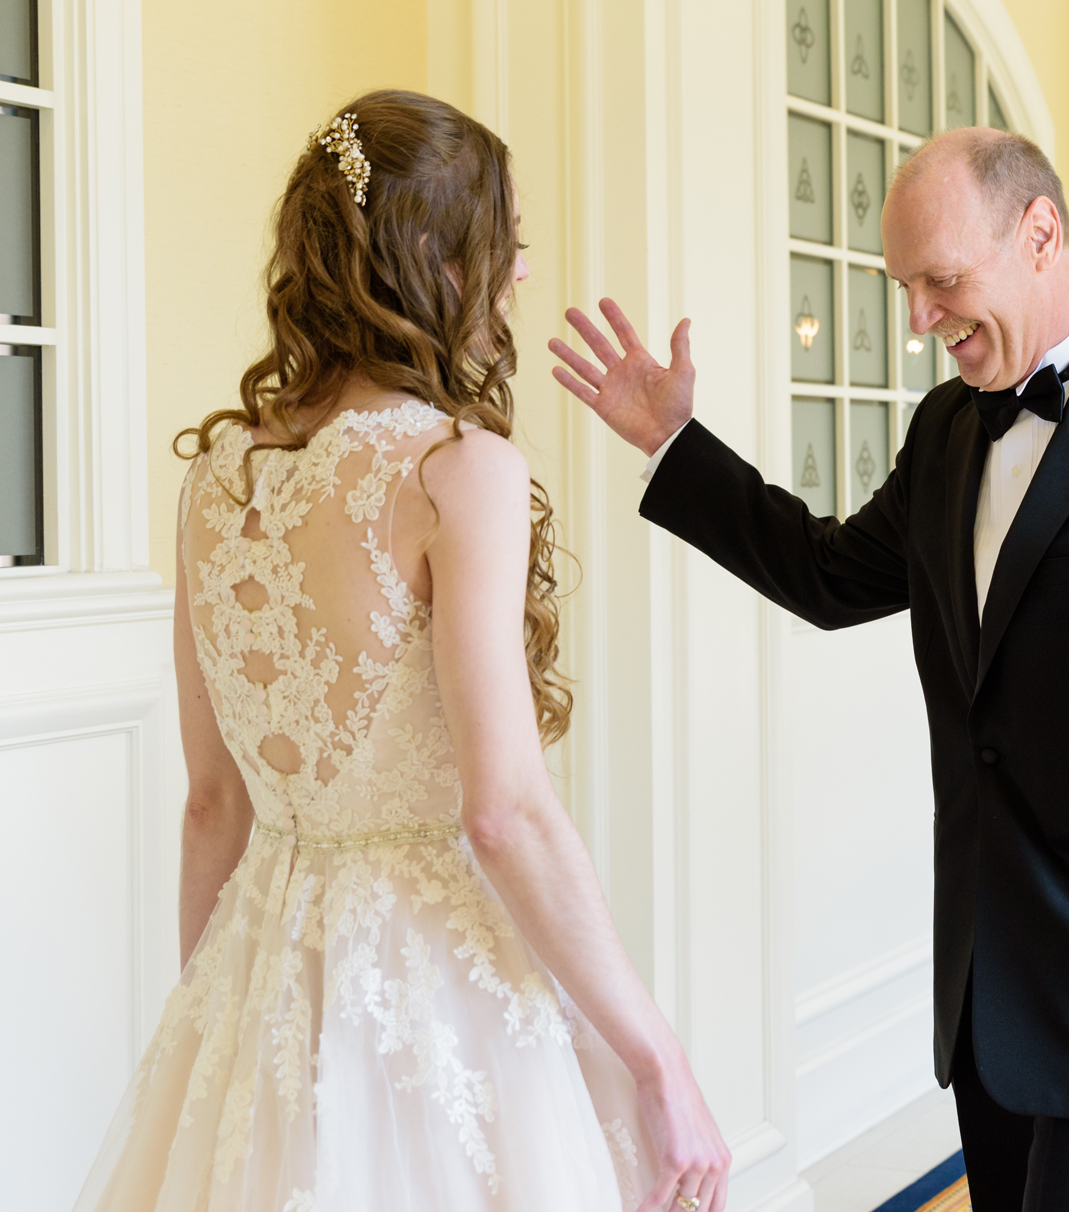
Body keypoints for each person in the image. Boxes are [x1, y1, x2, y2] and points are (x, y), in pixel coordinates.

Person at [549, 128, 1069, 1211]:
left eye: (939, 281)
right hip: (994, 968)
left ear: (1038, 234)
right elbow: (826, 573)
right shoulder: (947, 427)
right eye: (904, 287)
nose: (917, 321)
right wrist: (676, 443)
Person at [73, 90, 730, 1212]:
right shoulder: (455, 471)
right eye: (503, 246)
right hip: (431, 994)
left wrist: (215, 1026)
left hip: (258, 965)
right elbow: (503, 813)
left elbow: (209, 805)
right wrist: (658, 1058)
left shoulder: (216, 474)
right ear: (435, 258)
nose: (519, 274)